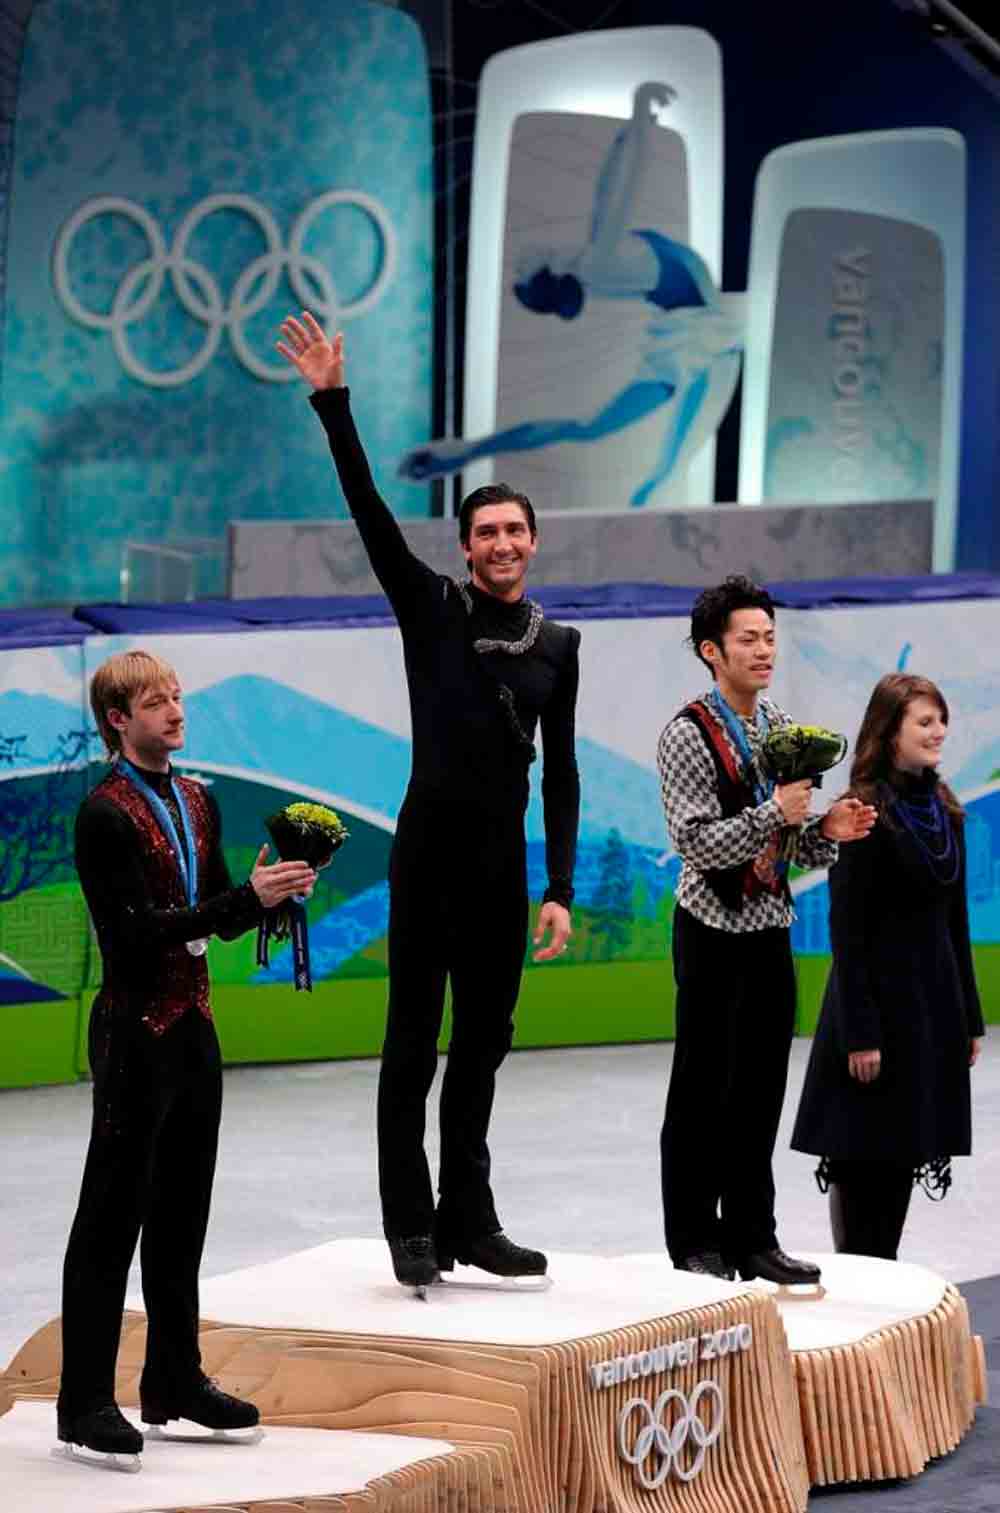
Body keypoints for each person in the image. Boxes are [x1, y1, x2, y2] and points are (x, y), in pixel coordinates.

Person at [277, 313, 581, 1289]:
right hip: (428, 858)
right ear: (464, 545)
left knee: (483, 1045)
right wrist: (334, 403)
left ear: (533, 542)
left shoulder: (558, 648)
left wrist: (560, 887)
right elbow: (367, 505)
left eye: (513, 530)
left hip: (502, 869)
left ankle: (470, 1217)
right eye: (484, 530)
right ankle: (410, 1223)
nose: (500, 542)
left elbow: (561, 773)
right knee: (412, 1043)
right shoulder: (430, 607)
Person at [58, 651, 316, 1462]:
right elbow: (134, 936)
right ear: (116, 720)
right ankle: (84, 1399)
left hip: (195, 1026)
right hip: (134, 1030)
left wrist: (267, 893)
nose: (173, 710)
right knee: (110, 1217)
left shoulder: (199, 800)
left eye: (176, 696)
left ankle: (174, 1377)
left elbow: (210, 915)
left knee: (181, 1215)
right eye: (152, 701)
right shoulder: (103, 814)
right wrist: (243, 899)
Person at [656, 576, 876, 1283]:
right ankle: (694, 1238)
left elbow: (791, 845)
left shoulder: (779, 725)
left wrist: (828, 831)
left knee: (758, 1090)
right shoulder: (686, 734)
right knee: (701, 1088)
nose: (764, 650)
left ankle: (754, 1235)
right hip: (710, 927)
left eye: (770, 637)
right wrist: (773, 815)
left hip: (769, 926)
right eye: (748, 639)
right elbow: (696, 843)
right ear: (710, 651)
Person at [397, 82, 745, 507]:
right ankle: (467, 451)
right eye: (523, 268)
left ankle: (465, 450)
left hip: (690, 343)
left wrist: (635, 126)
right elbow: (619, 186)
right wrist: (637, 117)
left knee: (604, 440)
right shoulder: (598, 263)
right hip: (708, 347)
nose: (518, 260)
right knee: (655, 476)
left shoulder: (596, 262)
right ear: (549, 269)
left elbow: (610, 189)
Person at [792, 674, 984, 1260]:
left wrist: (969, 1020)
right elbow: (847, 930)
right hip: (875, 1009)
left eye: (941, 720)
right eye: (924, 722)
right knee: (863, 1151)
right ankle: (859, 1279)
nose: (939, 732)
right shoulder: (864, 810)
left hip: (930, 1010)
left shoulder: (945, 810)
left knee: (901, 1151)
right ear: (891, 731)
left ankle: (885, 1272)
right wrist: (861, 1032)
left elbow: (956, 923)